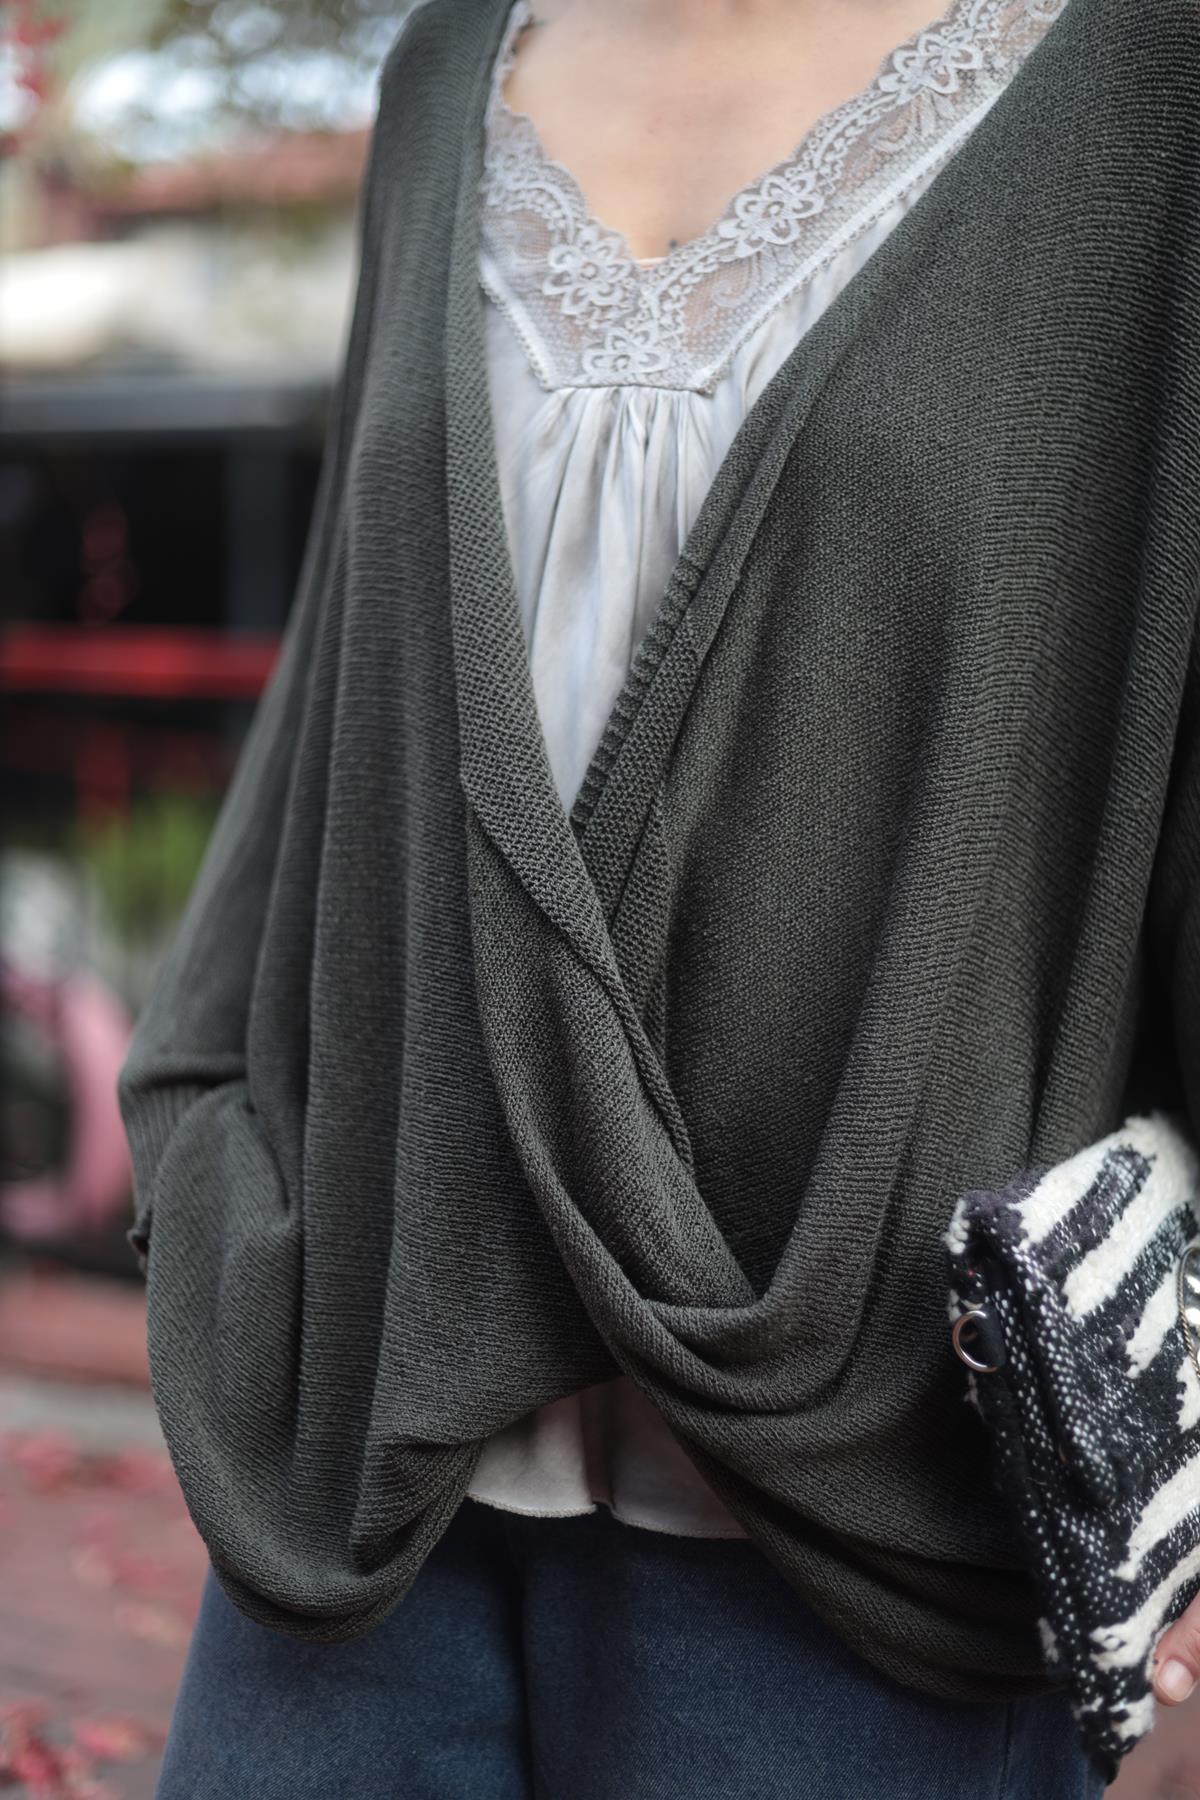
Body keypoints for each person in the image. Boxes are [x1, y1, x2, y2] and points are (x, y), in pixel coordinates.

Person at [119, 0, 1200, 1794]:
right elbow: (336, 720)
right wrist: (211, 1175)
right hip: (361, 1462)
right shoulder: (449, 68)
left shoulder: (1151, 91)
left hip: (879, 1508)